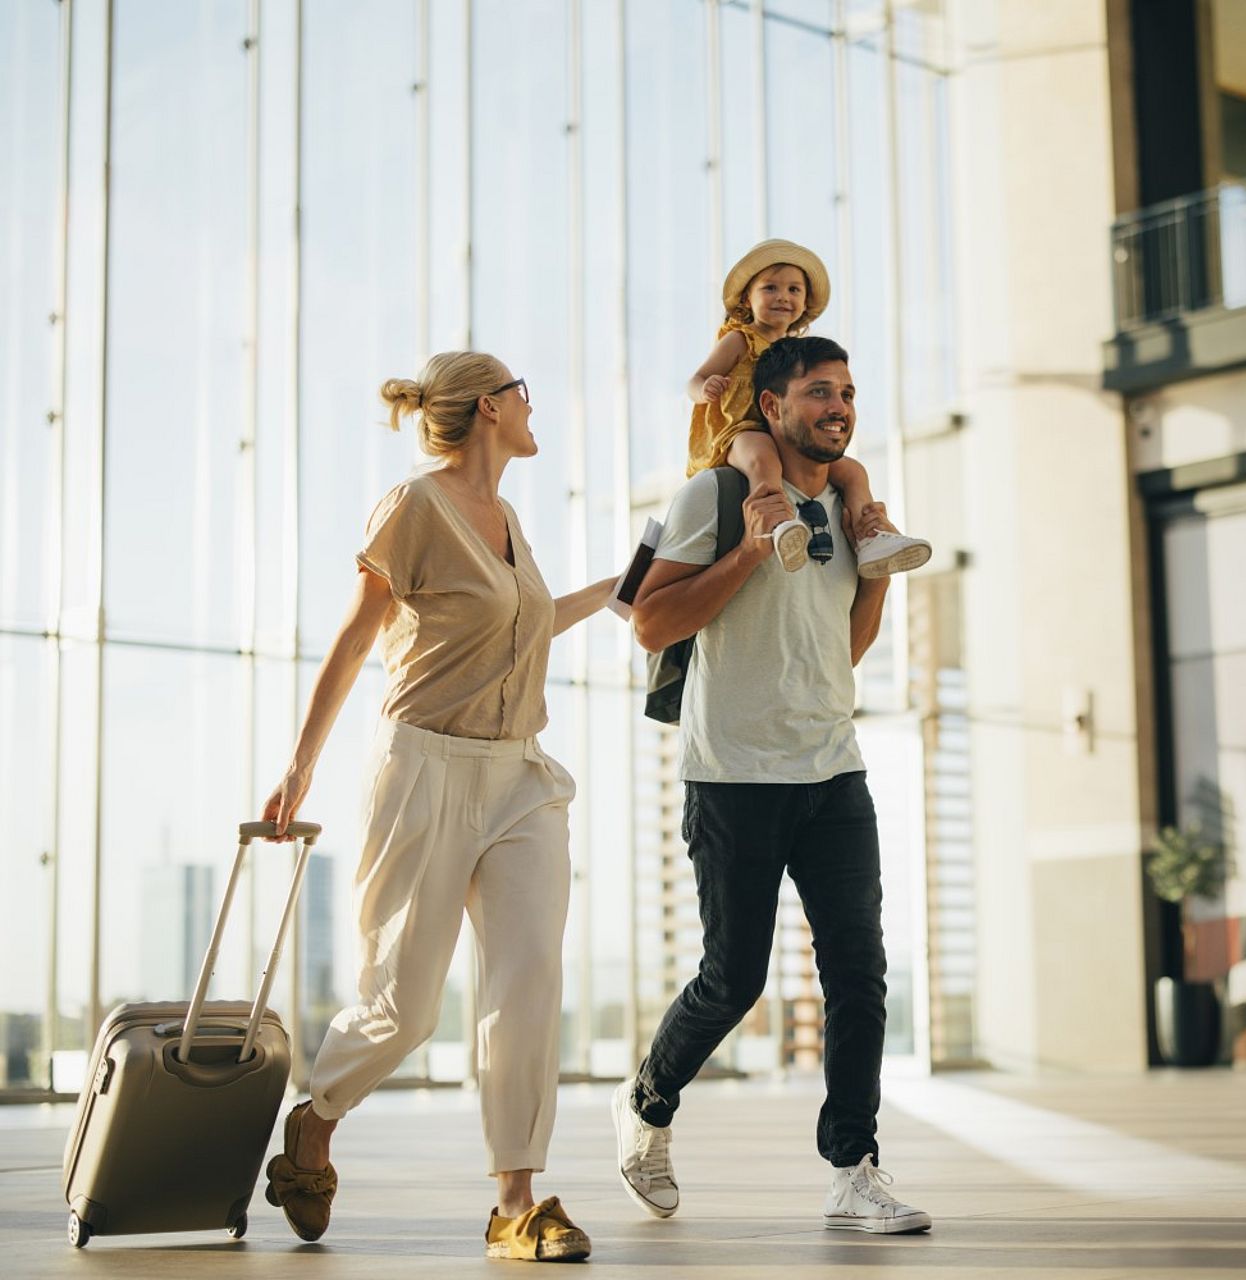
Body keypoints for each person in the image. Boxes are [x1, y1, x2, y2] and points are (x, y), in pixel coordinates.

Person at [259, 351, 615, 1262]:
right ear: (491, 406)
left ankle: (517, 1203)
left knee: (528, 976)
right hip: (423, 768)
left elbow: (524, 625)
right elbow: (354, 637)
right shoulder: (415, 507)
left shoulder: (511, 519)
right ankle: (318, 1115)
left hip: (520, 777)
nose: (536, 408)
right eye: (525, 393)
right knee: (404, 1005)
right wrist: (301, 766)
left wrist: (619, 587)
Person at [614, 334, 932, 1235]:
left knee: (859, 973)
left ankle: (853, 1167)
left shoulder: (846, 504)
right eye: (820, 392)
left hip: (834, 769)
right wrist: (751, 553)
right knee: (733, 977)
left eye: (849, 393)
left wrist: (875, 574)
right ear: (772, 407)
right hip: (734, 776)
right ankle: (645, 1105)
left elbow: (845, 648)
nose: (839, 407)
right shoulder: (716, 494)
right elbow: (648, 623)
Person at [686, 238, 930, 578]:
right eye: (770, 288)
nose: (783, 297)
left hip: (785, 433)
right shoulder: (740, 339)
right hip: (741, 429)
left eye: (794, 290)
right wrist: (705, 390)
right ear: (747, 299)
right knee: (762, 458)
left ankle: (871, 535)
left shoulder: (797, 352)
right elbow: (697, 378)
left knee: (853, 472)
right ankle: (778, 523)